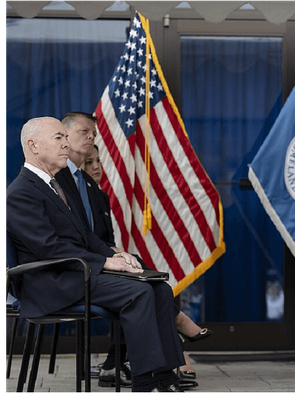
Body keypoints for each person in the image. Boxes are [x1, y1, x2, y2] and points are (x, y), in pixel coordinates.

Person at [7, 117, 185, 392]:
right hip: (50, 281)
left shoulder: (55, 186)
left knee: (159, 288)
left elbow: (86, 236)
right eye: (58, 138)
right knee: (138, 293)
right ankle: (143, 381)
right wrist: (104, 262)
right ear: (33, 145)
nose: (67, 143)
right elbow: (49, 246)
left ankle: (163, 376)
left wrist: (117, 255)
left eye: (66, 137)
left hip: (74, 272)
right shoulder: (20, 192)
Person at [82, 143, 209, 383]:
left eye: (98, 161)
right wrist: (111, 257)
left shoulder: (99, 194)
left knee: (153, 285)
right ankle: (176, 336)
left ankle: (121, 365)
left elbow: (104, 240)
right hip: (88, 268)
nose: (97, 167)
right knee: (138, 288)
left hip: (102, 261)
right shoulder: (72, 193)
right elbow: (78, 241)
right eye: (89, 162)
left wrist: (116, 253)